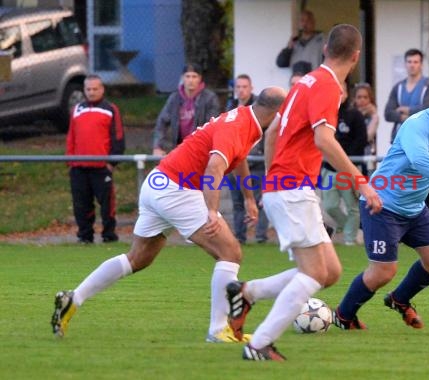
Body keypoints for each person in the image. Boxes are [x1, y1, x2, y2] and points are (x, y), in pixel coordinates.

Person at [51, 87, 287, 343]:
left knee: (138, 258)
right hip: (177, 189)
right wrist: (210, 211)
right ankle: (219, 331)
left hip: (158, 183)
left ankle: (74, 298)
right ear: (278, 112)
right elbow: (214, 167)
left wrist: (249, 197)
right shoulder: (239, 127)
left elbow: (237, 157)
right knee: (230, 252)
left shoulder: (245, 118)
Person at [225, 23, 382, 362]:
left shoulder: (305, 82)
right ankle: (259, 344)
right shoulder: (327, 86)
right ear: (356, 57)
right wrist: (362, 182)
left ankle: (247, 292)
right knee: (312, 274)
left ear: (325, 49)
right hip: (293, 190)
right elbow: (325, 141)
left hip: (290, 188)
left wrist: (270, 181)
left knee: (330, 272)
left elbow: (272, 134)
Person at [332, 87, 429, 331]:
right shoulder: (416, 125)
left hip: (413, 208)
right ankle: (343, 315)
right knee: (383, 271)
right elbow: (420, 161)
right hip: (382, 204)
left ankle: (399, 299)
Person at [384, 48, 429, 226]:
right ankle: (401, 223)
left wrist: (406, 110)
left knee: (425, 184)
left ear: (421, 64)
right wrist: (405, 115)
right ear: (405, 64)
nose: (412, 65)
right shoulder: (398, 87)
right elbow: (388, 112)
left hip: (422, 142)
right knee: (399, 182)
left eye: (416, 62)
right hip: (400, 143)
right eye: (409, 62)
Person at [66, 74, 125, 244]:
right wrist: (70, 162)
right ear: (84, 90)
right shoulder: (77, 109)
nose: (91, 92)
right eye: (88, 89)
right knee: (81, 204)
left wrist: (111, 162)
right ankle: (85, 236)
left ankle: (109, 235)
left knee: (106, 203)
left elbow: (118, 137)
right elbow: (71, 137)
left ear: (102, 89)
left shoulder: (110, 109)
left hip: (101, 166)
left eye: (95, 89)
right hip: (78, 167)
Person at [321, 80, 367, 245]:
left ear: (348, 93)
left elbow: (361, 141)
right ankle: (347, 226)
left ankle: (350, 239)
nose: (339, 94)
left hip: (347, 168)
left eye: (342, 91)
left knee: (352, 206)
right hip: (328, 169)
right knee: (329, 206)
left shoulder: (355, 115)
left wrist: (344, 160)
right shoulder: (324, 114)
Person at [226, 74, 268, 244]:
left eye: (244, 87)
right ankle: (240, 236)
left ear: (251, 88)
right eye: (238, 87)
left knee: (259, 201)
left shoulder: (258, 108)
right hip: (234, 160)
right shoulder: (230, 107)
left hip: (256, 161)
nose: (241, 90)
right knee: (237, 201)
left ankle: (260, 236)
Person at [152, 63, 220, 156]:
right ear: (182, 78)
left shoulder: (209, 98)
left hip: (201, 150)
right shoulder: (174, 98)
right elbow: (162, 122)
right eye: (187, 76)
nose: (190, 80)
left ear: (200, 78)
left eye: (194, 77)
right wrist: (157, 146)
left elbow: (212, 126)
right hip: (178, 149)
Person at [353, 83, 380, 175]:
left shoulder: (373, 116)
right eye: (359, 97)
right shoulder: (350, 115)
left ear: (370, 99)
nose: (362, 100)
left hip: (368, 157)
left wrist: (374, 116)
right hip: (353, 156)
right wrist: (361, 114)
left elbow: (368, 136)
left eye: (365, 97)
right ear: (354, 99)